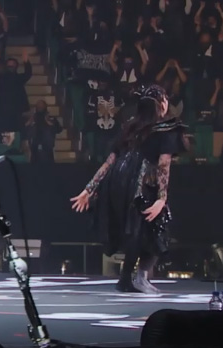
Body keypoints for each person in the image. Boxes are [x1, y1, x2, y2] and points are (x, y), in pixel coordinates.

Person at [69, 84, 185, 294]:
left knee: (135, 229)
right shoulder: (165, 129)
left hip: (118, 182)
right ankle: (139, 277)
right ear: (161, 104)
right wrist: (161, 198)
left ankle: (126, 278)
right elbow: (163, 165)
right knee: (155, 224)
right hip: (141, 180)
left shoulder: (131, 128)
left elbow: (109, 162)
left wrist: (89, 188)